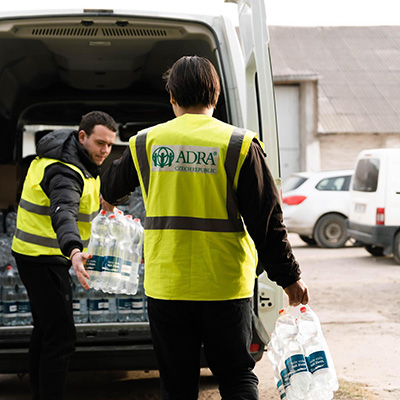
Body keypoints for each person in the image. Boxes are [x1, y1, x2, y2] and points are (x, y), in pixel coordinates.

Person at [101, 56, 309, 400]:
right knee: (236, 376)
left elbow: (110, 189)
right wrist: (289, 278)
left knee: (177, 384)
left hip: (168, 285)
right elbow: (268, 221)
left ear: (171, 97)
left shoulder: (145, 143)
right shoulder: (239, 144)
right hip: (225, 285)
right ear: (215, 96)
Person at [11, 110, 118, 400]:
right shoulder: (63, 170)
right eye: (100, 143)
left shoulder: (77, 160)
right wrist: (73, 250)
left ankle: (38, 392)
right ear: (82, 137)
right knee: (61, 337)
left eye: (110, 144)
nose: (105, 150)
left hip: (38, 255)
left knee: (46, 330)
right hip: (42, 257)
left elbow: (79, 202)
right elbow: (64, 210)